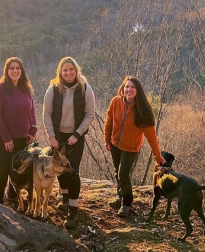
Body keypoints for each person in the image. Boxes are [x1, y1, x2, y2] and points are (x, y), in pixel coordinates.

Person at [43, 56, 95, 228]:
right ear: (60, 72)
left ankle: (73, 210)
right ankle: (64, 197)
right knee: (59, 169)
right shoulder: (53, 89)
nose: (68, 72)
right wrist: (51, 136)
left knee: (72, 172)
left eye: (71, 69)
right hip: (58, 138)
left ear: (76, 70)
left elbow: (89, 114)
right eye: (65, 70)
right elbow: (47, 114)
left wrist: (77, 134)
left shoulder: (85, 89)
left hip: (75, 138)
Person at [104, 76, 166, 217]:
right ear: (123, 88)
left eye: (132, 87)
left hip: (130, 149)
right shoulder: (116, 102)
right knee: (117, 173)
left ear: (137, 90)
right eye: (127, 86)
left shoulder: (141, 110)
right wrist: (107, 139)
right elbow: (109, 121)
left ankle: (126, 203)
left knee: (123, 175)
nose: (129, 89)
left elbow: (151, 137)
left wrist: (158, 156)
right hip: (115, 145)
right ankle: (121, 197)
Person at [0, 57, 37, 204]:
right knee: (4, 169)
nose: (15, 71)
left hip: (23, 137)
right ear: (7, 70)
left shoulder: (26, 88)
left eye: (18, 68)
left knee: (19, 168)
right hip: (5, 138)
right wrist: (6, 138)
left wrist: (32, 130)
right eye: (12, 68)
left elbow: (32, 111)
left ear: (22, 71)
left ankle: (12, 194)